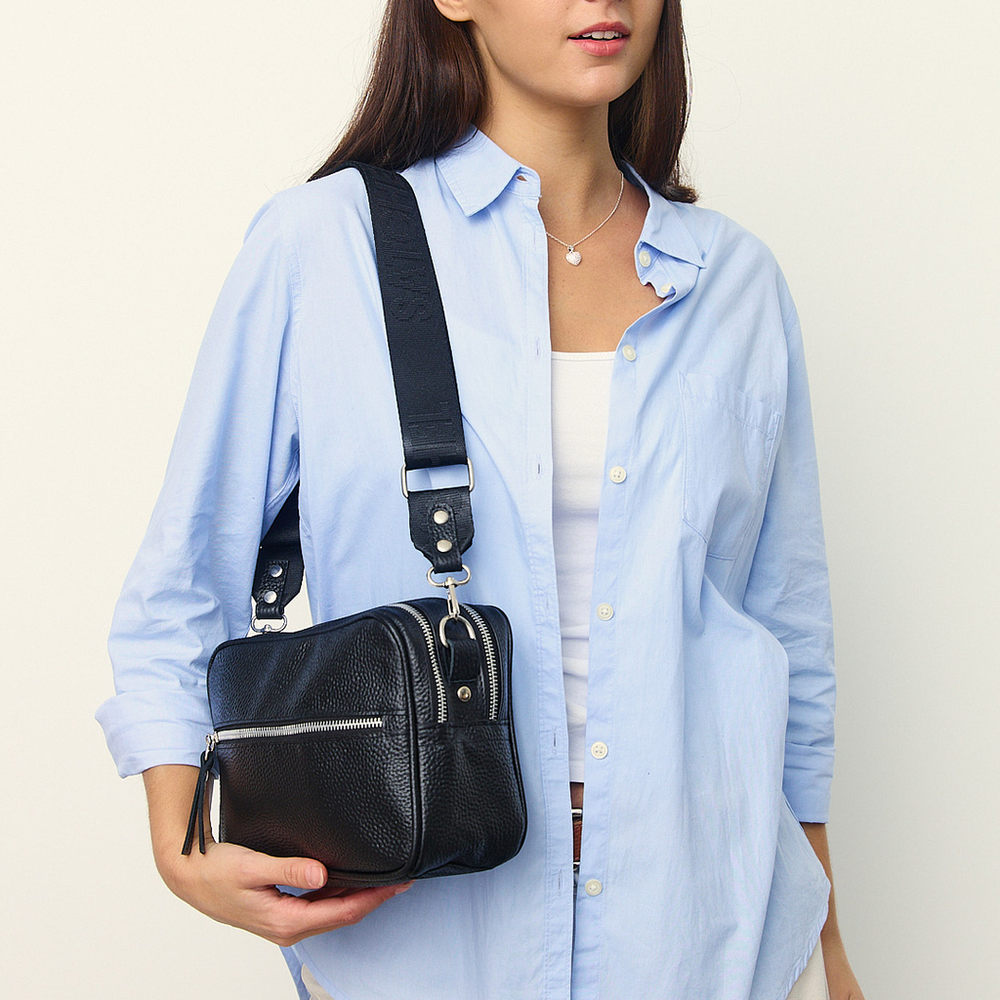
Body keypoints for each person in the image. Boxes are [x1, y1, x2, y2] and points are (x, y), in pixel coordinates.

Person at [97, 1, 867, 998]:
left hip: (718, 933)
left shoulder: (737, 283)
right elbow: (181, 581)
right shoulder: (322, 245)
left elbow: (786, 632)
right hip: (424, 939)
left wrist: (826, 940)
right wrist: (180, 844)